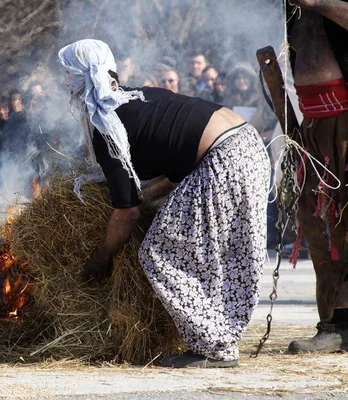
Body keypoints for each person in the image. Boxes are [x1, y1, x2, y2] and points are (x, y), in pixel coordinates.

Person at [59, 39, 270, 368]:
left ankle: (214, 347)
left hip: (224, 158)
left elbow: (126, 213)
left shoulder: (107, 126)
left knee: (159, 252)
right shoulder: (138, 96)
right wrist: (143, 197)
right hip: (248, 147)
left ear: (76, 80)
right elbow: (176, 167)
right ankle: (219, 337)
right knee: (211, 250)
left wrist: (99, 259)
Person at [284, 0, 348, 354]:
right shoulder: (291, 6)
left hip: (345, 121)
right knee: (318, 224)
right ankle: (333, 323)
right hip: (312, 124)